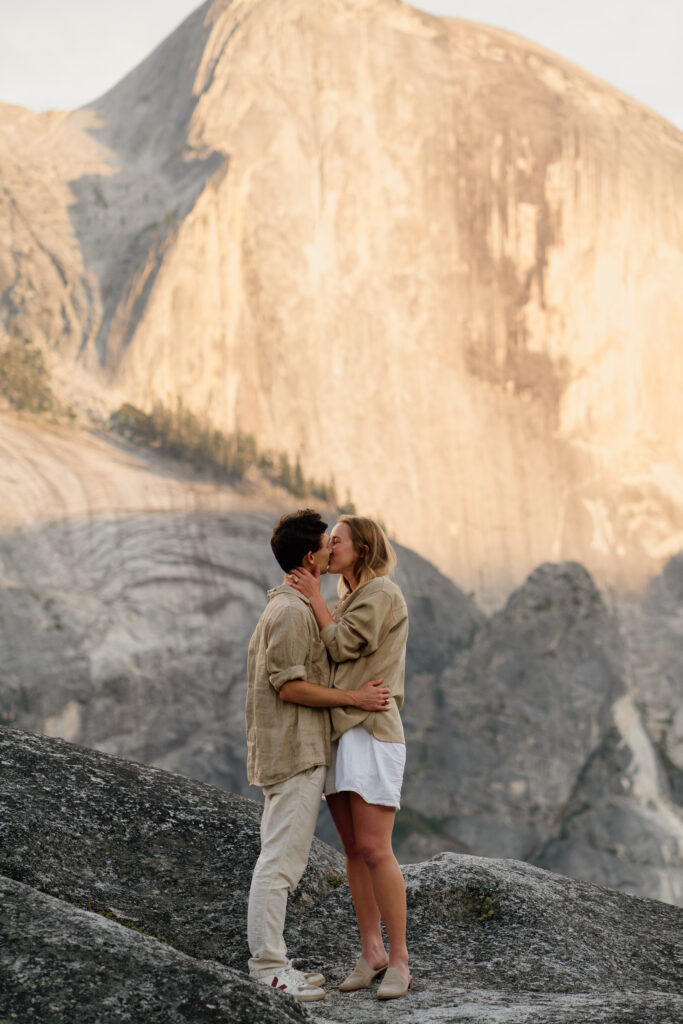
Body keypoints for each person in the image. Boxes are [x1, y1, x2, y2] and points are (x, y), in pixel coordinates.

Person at [245, 508, 392, 1002]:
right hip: (294, 750)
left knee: (282, 860)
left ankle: (277, 962)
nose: (334, 548)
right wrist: (354, 699)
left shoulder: (298, 605)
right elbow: (290, 688)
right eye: (328, 543)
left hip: (302, 749)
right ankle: (268, 969)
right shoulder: (289, 611)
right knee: (280, 865)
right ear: (311, 556)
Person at [287, 514, 412, 1000]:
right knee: (354, 851)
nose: (327, 546)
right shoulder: (349, 597)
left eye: (336, 541)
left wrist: (314, 598)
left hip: (372, 730)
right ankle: (370, 951)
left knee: (377, 849)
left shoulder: (382, 593)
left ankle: (399, 958)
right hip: (342, 728)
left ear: (361, 548)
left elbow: (341, 645)